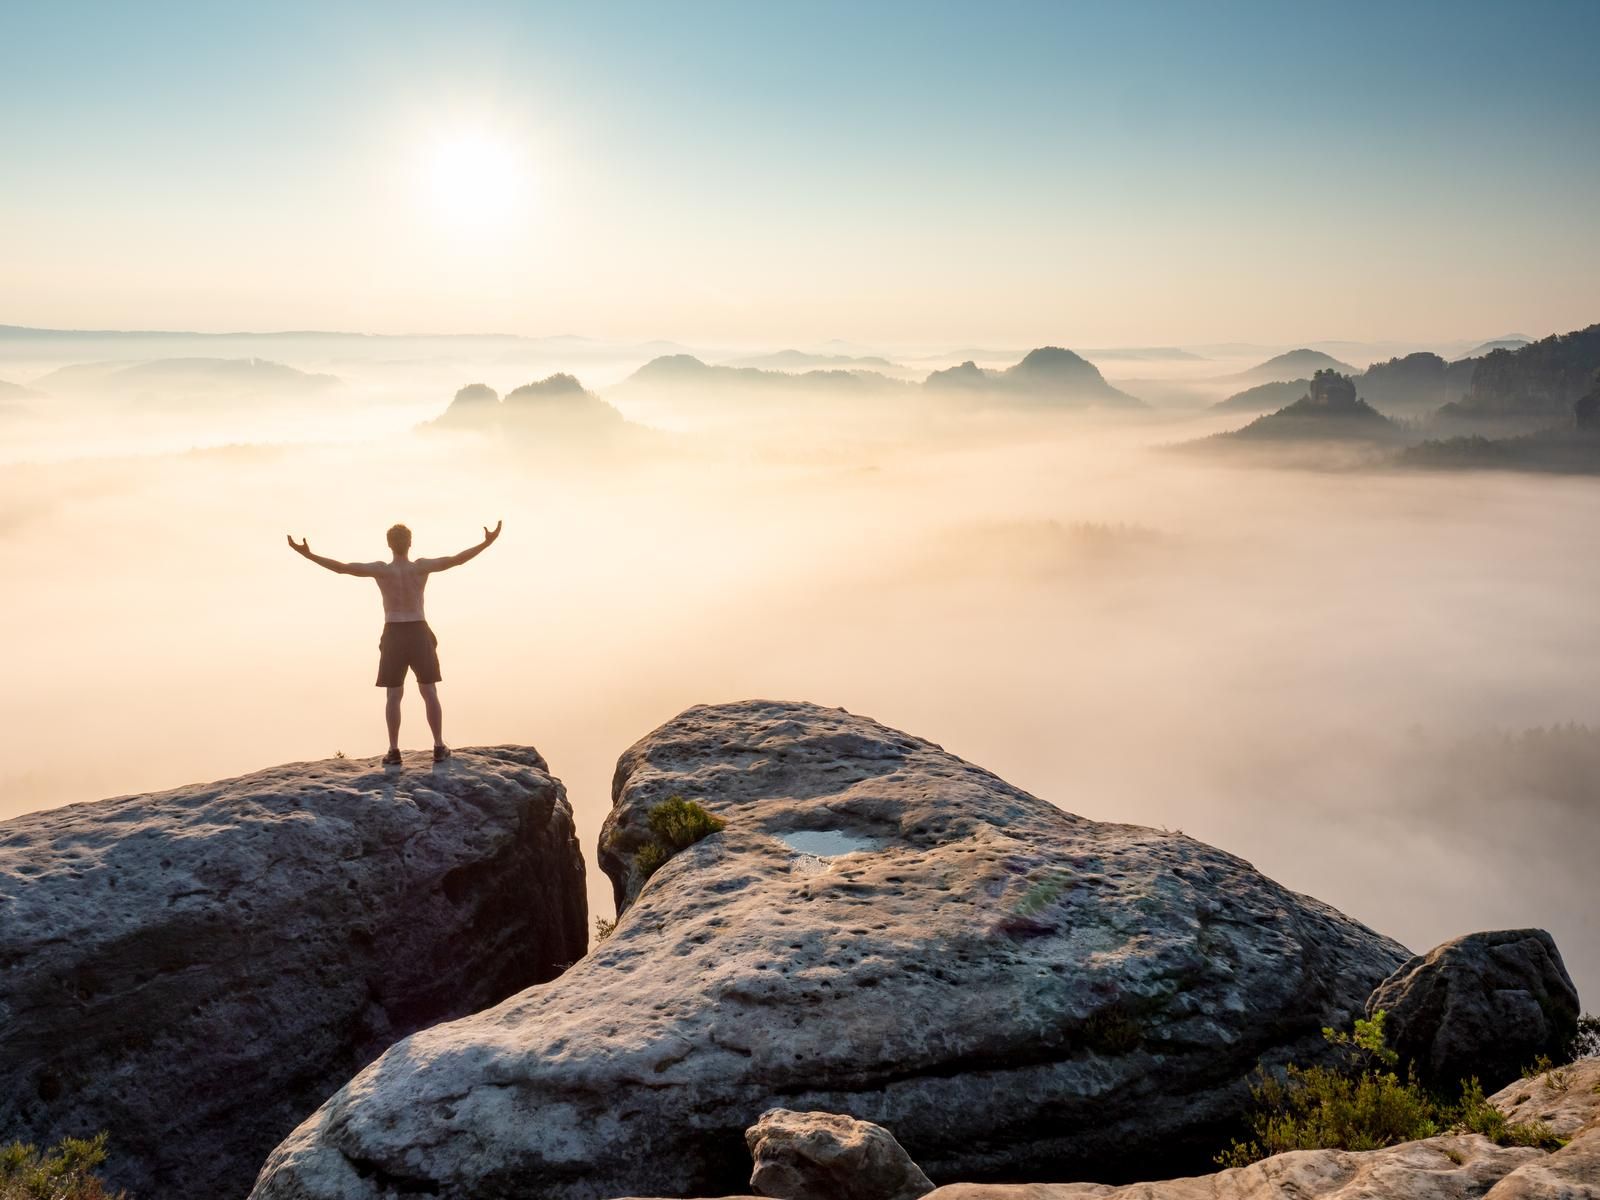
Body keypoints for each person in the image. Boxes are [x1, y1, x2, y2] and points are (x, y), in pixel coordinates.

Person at [287, 521, 502, 765]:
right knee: (429, 690)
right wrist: (487, 542)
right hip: (419, 630)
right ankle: (439, 746)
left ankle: (393, 750)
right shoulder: (421, 567)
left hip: (394, 632)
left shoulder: (382, 570)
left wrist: (308, 554)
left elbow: (342, 568)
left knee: (393, 695)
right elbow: (457, 559)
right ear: (410, 543)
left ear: (389, 545)